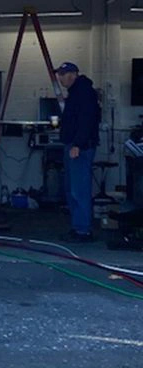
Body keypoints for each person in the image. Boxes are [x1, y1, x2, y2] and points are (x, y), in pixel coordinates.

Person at [55, 61, 101, 243]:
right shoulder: (76, 93)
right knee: (72, 188)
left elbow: (86, 120)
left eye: (63, 74)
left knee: (79, 189)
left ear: (73, 74)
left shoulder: (84, 93)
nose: (60, 78)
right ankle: (77, 227)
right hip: (73, 144)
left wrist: (78, 144)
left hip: (79, 147)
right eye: (59, 74)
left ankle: (82, 230)